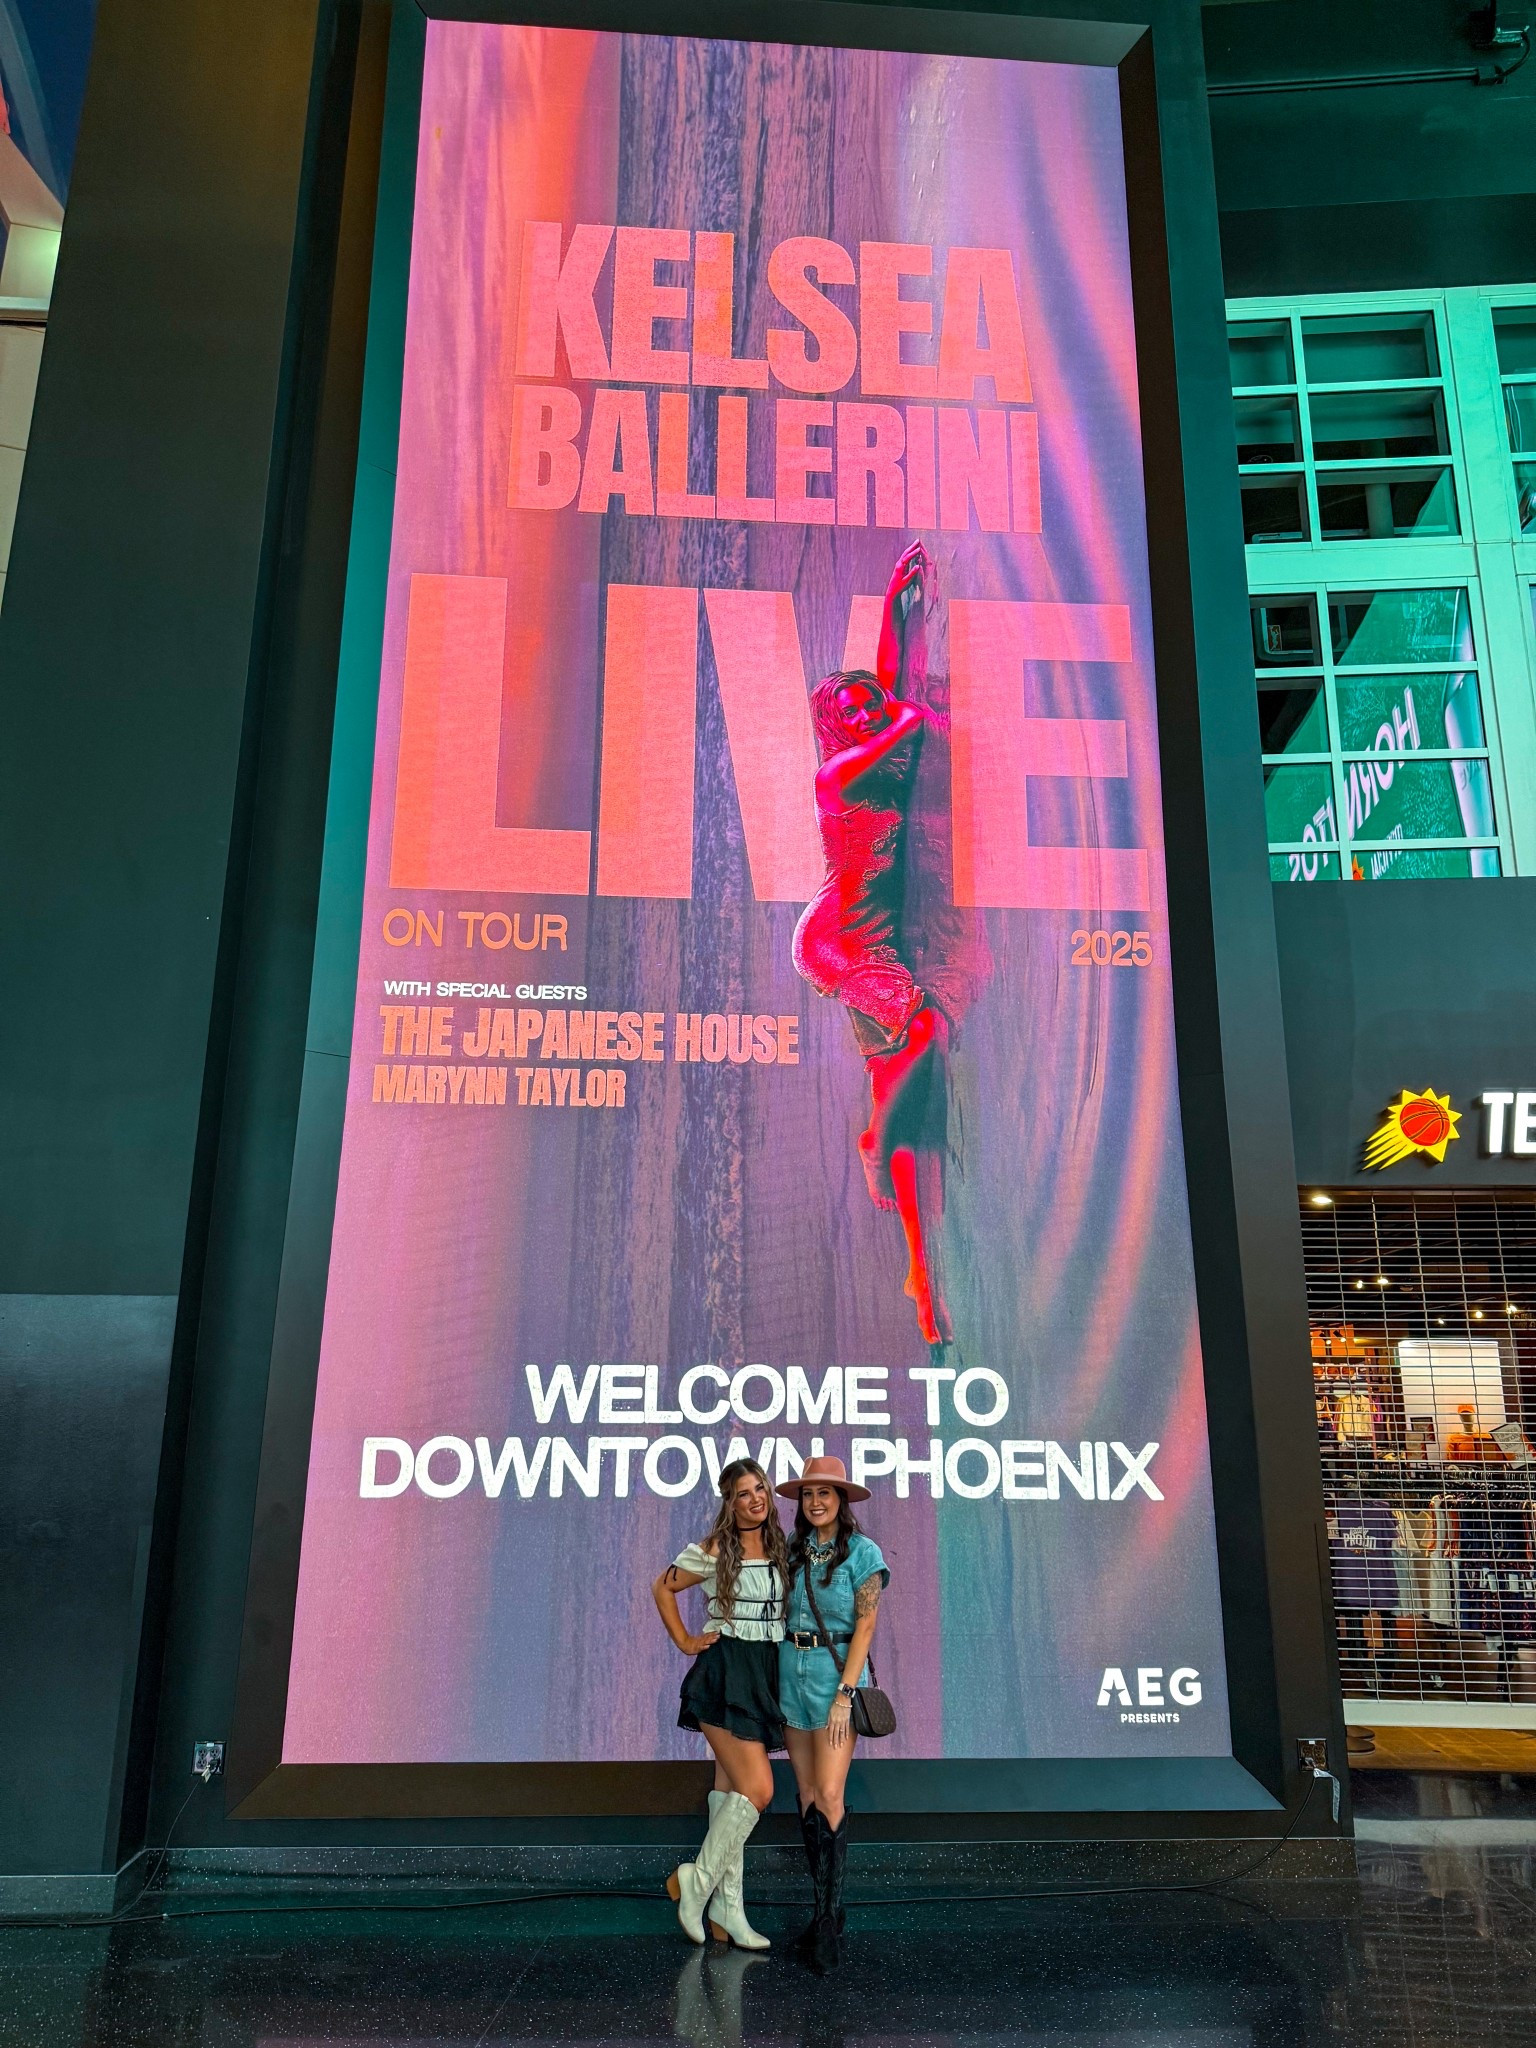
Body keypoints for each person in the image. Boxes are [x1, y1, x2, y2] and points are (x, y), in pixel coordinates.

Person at [792, 539, 954, 1346]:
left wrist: (898, 601)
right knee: (921, 1029)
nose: (863, 709)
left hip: (877, 944)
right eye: (847, 709)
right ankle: (869, 1140)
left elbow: (894, 691)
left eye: (863, 701)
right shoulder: (839, 775)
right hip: (837, 944)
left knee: (905, 1084)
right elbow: (909, 714)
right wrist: (899, 708)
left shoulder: (870, 748)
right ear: (833, 728)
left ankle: (921, 1277)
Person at [653, 1458, 790, 1949]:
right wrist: (686, 1641)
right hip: (723, 1673)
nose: (755, 1499)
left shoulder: (781, 1547)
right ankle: (697, 1880)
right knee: (759, 1789)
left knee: (731, 1792)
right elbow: (661, 1587)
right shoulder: (714, 1549)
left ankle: (727, 1910)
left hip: (763, 1676)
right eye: (743, 1493)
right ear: (728, 1503)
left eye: (760, 1490)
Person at [776, 1455, 888, 1970]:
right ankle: (823, 1911)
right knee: (803, 1794)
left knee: (829, 1793)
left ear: (842, 1500)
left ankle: (827, 1919)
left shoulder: (863, 1553)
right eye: (807, 1494)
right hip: (790, 1674)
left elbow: (865, 1627)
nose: (815, 1501)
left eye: (826, 1493)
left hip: (833, 1679)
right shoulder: (793, 1552)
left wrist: (845, 1694)